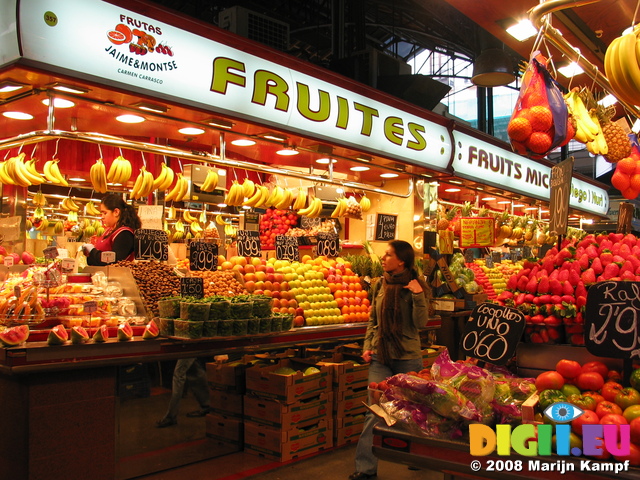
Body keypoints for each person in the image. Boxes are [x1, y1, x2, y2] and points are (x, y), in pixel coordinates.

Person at [350, 240, 430, 480]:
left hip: (407, 357)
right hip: (380, 357)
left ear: (401, 260)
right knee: (374, 410)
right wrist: (367, 346)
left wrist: (417, 295)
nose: (383, 258)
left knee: (415, 412)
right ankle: (365, 470)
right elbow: (373, 321)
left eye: (388, 255)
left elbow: (421, 323)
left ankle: (422, 455)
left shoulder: (417, 285)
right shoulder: (380, 285)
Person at [82, 193, 141, 266]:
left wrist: (92, 251)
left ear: (116, 212)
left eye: (105, 213)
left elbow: (114, 260)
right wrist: (88, 255)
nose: (102, 217)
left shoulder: (124, 233)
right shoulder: (109, 230)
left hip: (115, 276)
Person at [156, 357, 211, 428]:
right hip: (191, 346)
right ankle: (207, 405)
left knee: (179, 374)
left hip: (188, 346)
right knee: (193, 370)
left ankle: (170, 417)